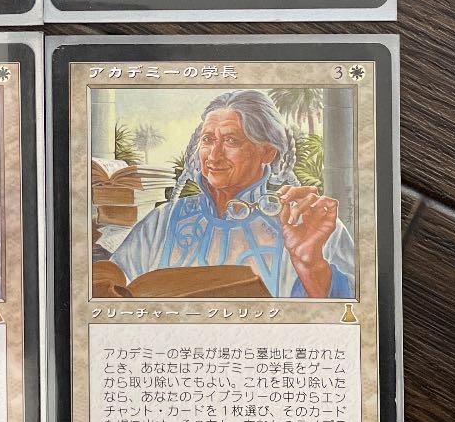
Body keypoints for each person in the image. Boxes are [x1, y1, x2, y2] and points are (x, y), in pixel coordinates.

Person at [111, 90, 354, 297]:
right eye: (208, 139)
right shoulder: (162, 221)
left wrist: (312, 266)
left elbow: (357, 311)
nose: (214, 156)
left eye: (231, 141)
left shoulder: (310, 224)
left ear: (267, 152)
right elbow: (116, 283)